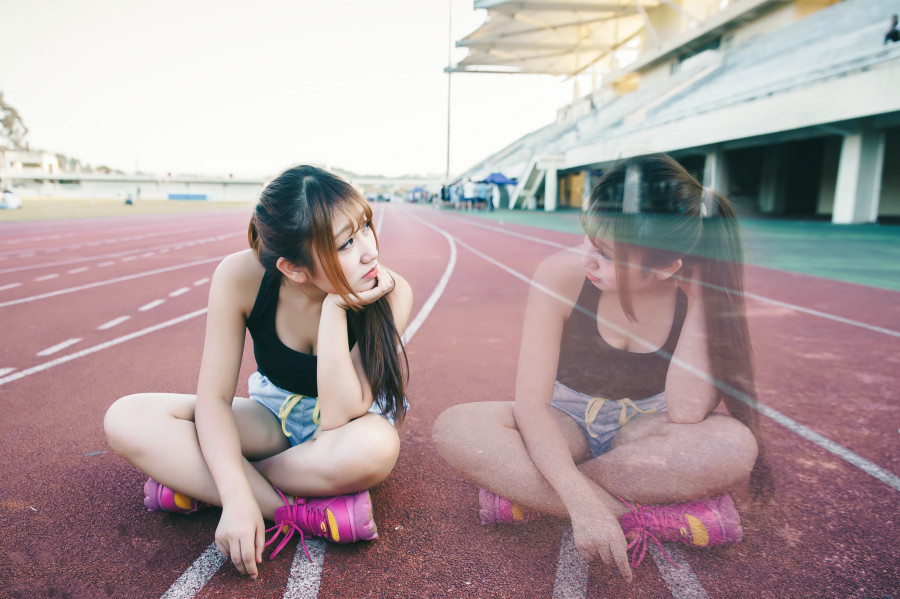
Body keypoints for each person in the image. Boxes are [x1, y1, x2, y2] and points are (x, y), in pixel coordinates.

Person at [433, 154, 772, 581]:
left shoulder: (695, 297)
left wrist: (703, 301)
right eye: (590, 240)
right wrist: (583, 505)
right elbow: (532, 407)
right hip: (565, 422)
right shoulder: (561, 275)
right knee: (456, 427)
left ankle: (526, 492)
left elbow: (685, 413)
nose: (588, 259)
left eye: (608, 254)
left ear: (667, 266)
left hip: (646, 433)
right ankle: (643, 518)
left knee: (736, 445)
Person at [105, 165, 413, 580]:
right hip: (274, 416)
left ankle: (199, 481)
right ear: (294, 268)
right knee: (126, 418)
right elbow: (213, 398)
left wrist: (335, 308)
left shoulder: (389, 292)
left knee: (377, 449)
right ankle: (292, 510)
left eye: (366, 227)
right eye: (346, 243)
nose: (370, 251)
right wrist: (235, 497)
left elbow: (340, 414)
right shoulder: (240, 276)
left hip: (344, 434)